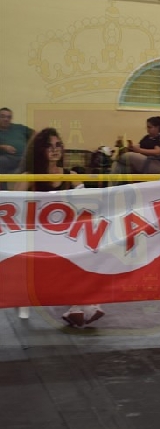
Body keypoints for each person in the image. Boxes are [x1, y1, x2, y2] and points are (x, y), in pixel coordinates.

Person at [14, 127, 105, 327]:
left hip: (65, 233)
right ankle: (81, 305)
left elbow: (87, 205)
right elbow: (15, 207)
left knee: (89, 249)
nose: (55, 150)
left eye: (58, 145)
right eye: (49, 146)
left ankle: (80, 305)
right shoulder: (29, 177)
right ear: (40, 150)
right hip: (37, 235)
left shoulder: (71, 175)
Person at [110, 116, 160, 183]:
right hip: (143, 161)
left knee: (128, 156)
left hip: (155, 163)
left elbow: (158, 152)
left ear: (157, 127)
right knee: (117, 165)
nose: (147, 129)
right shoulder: (147, 137)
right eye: (147, 127)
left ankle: (119, 158)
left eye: (149, 127)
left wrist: (139, 150)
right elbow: (138, 146)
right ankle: (111, 187)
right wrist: (129, 147)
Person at [0, 107, 34, 189]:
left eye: (9, 117)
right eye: (3, 116)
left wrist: (29, 146)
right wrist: (3, 147)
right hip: (8, 159)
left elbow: (35, 134)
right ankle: (3, 192)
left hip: (25, 158)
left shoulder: (19, 128)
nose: (6, 119)